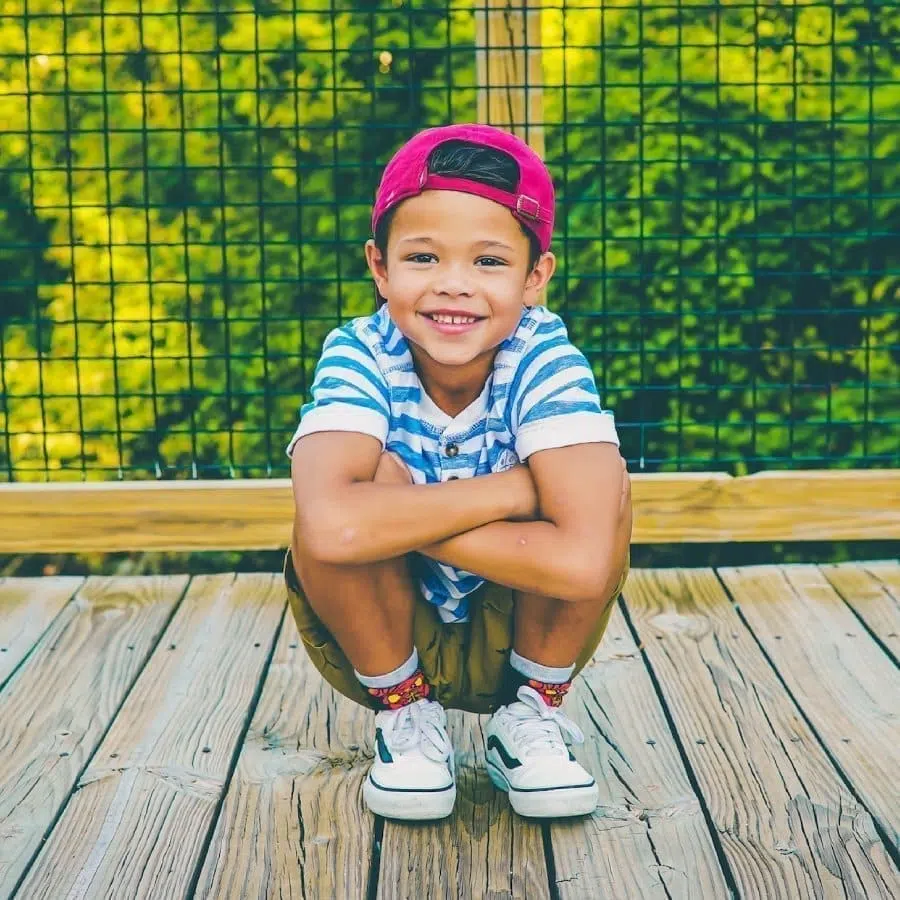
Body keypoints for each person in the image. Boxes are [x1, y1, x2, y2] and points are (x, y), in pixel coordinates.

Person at [285, 123, 632, 822]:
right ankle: (406, 721)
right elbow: (327, 529)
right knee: (359, 476)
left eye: (488, 262)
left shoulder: (545, 357)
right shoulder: (359, 352)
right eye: (421, 256)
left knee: (601, 482)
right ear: (379, 268)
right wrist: (511, 490)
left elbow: (583, 565)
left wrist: (389, 519)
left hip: (522, 618)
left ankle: (531, 719)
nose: (453, 285)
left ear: (536, 277)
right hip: (386, 628)